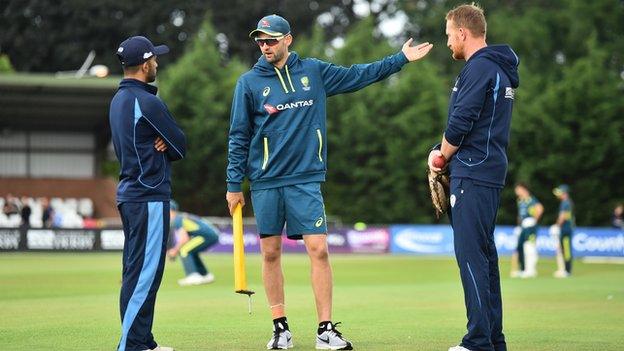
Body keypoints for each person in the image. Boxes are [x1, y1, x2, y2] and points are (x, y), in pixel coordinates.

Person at [226, 14, 432, 350]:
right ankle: (280, 328)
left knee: (319, 249)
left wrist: (400, 60)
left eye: (271, 40)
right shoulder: (248, 83)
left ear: (288, 39)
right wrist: (234, 183)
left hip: (305, 179)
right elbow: (238, 135)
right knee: (270, 252)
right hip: (265, 180)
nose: (265, 46)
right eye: (260, 41)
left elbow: (357, 75)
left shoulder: (314, 72)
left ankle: (325, 330)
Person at [427, 4, 519, 351]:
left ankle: (478, 341)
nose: (448, 42)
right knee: (484, 258)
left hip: (472, 172)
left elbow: (462, 120)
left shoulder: (479, 67)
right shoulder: (498, 68)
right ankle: (493, 340)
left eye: (449, 35)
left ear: (463, 33)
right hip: (489, 170)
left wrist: (440, 157)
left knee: (470, 257)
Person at [109, 35, 186, 351]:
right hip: (148, 195)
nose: (156, 63)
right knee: (144, 275)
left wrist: (162, 142)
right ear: (144, 65)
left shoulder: (118, 100)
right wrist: (166, 144)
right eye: (154, 58)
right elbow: (180, 144)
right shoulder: (148, 102)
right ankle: (132, 345)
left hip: (131, 195)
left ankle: (142, 340)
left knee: (137, 272)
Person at [166, 200, 220, 286]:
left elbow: (184, 239)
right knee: (191, 251)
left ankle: (193, 276)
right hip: (210, 234)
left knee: (184, 250)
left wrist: (175, 251)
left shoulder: (177, 219)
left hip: (206, 236)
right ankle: (205, 275)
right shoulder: (181, 217)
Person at [510, 183, 543, 278]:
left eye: (518, 189)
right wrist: (519, 226)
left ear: (523, 189)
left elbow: (540, 209)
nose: (516, 192)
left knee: (529, 247)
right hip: (523, 227)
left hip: (530, 227)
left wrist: (534, 220)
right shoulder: (520, 201)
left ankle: (531, 270)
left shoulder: (530, 199)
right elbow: (520, 215)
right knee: (520, 248)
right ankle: (523, 269)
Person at [552, 185, 574, 278]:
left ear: (564, 193)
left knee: (566, 250)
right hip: (566, 229)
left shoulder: (565, 203)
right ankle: (565, 270)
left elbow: (562, 217)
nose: (558, 195)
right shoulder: (567, 202)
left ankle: (567, 271)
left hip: (566, 229)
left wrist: (557, 226)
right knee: (564, 249)